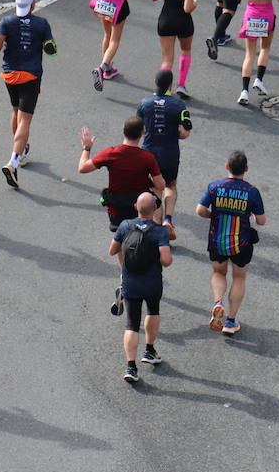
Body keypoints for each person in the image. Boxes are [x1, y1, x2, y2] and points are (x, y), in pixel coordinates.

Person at [0, 0, 58, 187]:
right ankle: (13, 162)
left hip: (10, 76)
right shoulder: (41, 24)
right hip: (30, 77)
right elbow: (53, 51)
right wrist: (45, 45)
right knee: (25, 120)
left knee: (15, 111)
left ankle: (21, 150)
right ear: (33, 5)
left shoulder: (6, 22)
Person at [197, 149, 266, 335]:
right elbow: (261, 221)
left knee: (219, 273)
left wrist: (213, 215)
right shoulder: (252, 192)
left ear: (227, 167)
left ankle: (218, 302)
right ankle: (230, 321)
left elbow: (200, 210)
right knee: (239, 277)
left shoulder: (214, 186)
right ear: (246, 169)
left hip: (217, 240)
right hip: (241, 243)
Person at [108, 192, 173, 383]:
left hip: (130, 282)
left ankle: (131, 367)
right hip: (152, 282)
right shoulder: (160, 231)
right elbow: (166, 260)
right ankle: (149, 350)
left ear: (136, 206)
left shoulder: (125, 226)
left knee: (131, 324)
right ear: (154, 209)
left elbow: (112, 250)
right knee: (153, 311)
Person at [77, 117, 167, 233]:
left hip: (116, 207)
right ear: (142, 134)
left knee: (120, 237)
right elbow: (161, 186)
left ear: (123, 130)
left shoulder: (111, 153)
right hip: (138, 207)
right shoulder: (148, 158)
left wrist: (87, 147)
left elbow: (82, 168)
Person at [137, 68, 193, 227]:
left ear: (155, 83)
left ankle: (156, 225)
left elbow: (139, 130)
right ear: (170, 85)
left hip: (149, 155)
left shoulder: (144, 103)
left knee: (155, 190)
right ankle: (168, 219)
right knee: (170, 186)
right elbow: (184, 133)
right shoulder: (178, 104)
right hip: (170, 154)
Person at [151, 0, 198, 95]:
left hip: (166, 20)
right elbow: (187, 8)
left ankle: (166, 90)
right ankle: (181, 85)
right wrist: (195, 3)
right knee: (186, 51)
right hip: (184, 22)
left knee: (167, 59)